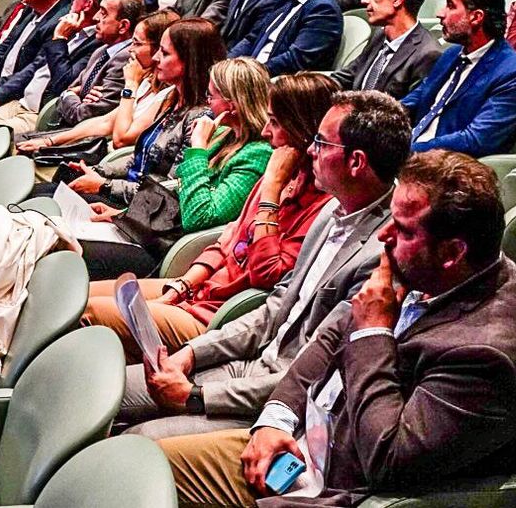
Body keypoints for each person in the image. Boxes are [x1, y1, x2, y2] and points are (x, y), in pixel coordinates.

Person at [158, 149, 516, 508]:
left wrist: (372, 334)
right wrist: (276, 419)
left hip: (337, 491)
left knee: (141, 478)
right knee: (137, 455)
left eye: (405, 230)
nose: (384, 236)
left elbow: (388, 460)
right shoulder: (432, 268)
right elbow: (331, 336)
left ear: (453, 252)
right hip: (296, 446)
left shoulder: (484, 356)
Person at [118, 90, 409, 439]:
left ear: (356, 162)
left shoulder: (383, 255)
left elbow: (316, 369)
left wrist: (197, 397)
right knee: (104, 390)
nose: (311, 150)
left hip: (282, 405)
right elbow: (275, 307)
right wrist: (192, 354)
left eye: (321, 142)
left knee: (135, 440)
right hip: (249, 361)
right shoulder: (333, 211)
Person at [83, 72, 337, 356]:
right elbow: (226, 241)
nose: (266, 132)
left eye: (275, 123)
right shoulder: (275, 169)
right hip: (200, 286)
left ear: (304, 131)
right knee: (81, 295)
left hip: (217, 313)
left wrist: (270, 193)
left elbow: (264, 273)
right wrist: (183, 285)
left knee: (89, 311)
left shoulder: (315, 201)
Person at [77, 55, 272, 280]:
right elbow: (178, 189)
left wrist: (198, 149)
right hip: (158, 232)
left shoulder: (257, 155)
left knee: (71, 252)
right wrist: (124, 216)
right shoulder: (225, 134)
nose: (208, 103)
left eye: (212, 96)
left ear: (233, 106)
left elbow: (199, 217)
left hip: (178, 252)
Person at [0, 0, 144, 183]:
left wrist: (60, 45)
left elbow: (69, 94)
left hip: (44, 117)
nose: (97, 16)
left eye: (104, 12)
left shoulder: (109, 52)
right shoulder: (98, 47)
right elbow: (41, 73)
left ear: (123, 25)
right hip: (22, 100)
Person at [64, 18, 225, 253]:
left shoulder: (199, 118)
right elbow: (140, 157)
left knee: (57, 225)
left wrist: (105, 186)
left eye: (165, 53)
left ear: (190, 62)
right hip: (130, 194)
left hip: (147, 216)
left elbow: (168, 190)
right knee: (60, 183)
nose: (156, 58)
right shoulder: (173, 98)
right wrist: (99, 172)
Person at [16, 9, 177, 169]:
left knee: (23, 165)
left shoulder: (165, 94)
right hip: (94, 150)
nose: (130, 50)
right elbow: (105, 122)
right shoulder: (146, 80)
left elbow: (121, 139)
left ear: (158, 50)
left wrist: (130, 87)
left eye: (137, 43)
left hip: (111, 164)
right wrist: (48, 142)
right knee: (19, 143)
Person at [402, 0, 516, 156]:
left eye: (450, 6)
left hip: (442, 168)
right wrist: (371, 118)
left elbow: (474, 140)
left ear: (476, 17)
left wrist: (405, 151)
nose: (440, 13)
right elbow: (415, 99)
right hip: (410, 148)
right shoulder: (452, 54)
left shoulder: (513, 75)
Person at [331, 0, 441, 99]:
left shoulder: (427, 54)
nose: (364, 0)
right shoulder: (380, 35)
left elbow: (406, 111)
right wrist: (302, 87)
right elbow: (346, 77)